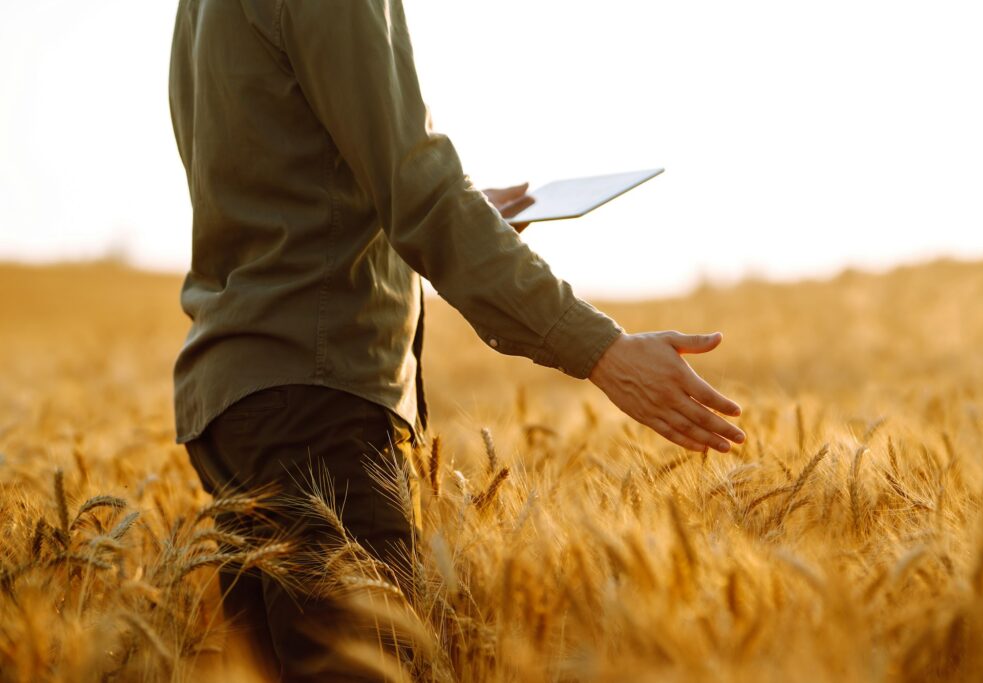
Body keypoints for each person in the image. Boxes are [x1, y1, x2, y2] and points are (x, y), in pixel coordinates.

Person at [168, 1, 745, 679]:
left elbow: (281, 176)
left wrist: (463, 216)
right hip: (315, 408)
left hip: (238, 404)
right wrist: (602, 349)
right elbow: (419, 194)